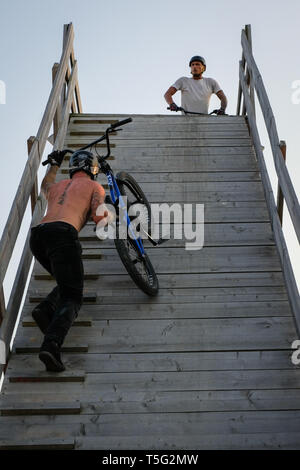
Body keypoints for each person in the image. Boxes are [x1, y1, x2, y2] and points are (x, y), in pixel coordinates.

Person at [29, 149, 113, 372]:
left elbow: (45, 187)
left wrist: (54, 165)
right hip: (63, 235)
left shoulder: (58, 186)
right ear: (93, 169)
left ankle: (46, 309)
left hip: (38, 236)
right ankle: (51, 345)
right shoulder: (95, 186)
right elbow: (99, 217)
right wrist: (110, 215)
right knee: (73, 296)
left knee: (66, 282)